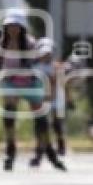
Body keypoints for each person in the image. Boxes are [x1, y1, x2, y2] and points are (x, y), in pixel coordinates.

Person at [0, 12, 66, 172]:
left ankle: (50, 152)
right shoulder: (1, 44)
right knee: (9, 113)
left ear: (22, 28)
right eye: (10, 26)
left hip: (30, 82)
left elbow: (42, 62)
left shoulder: (30, 43)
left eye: (16, 26)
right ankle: (10, 150)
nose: (13, 29)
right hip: (10, 81)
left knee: (41, 120)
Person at [31, 36, 70, 167]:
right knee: (40, 128)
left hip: (55, 99)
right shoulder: (35, 67)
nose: (46, 56)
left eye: (48, 53)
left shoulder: (56, 66)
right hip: (40, 100)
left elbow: (60, 83)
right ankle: (39, 153)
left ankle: (60, 144)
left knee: (56, 124)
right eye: (44, 53)